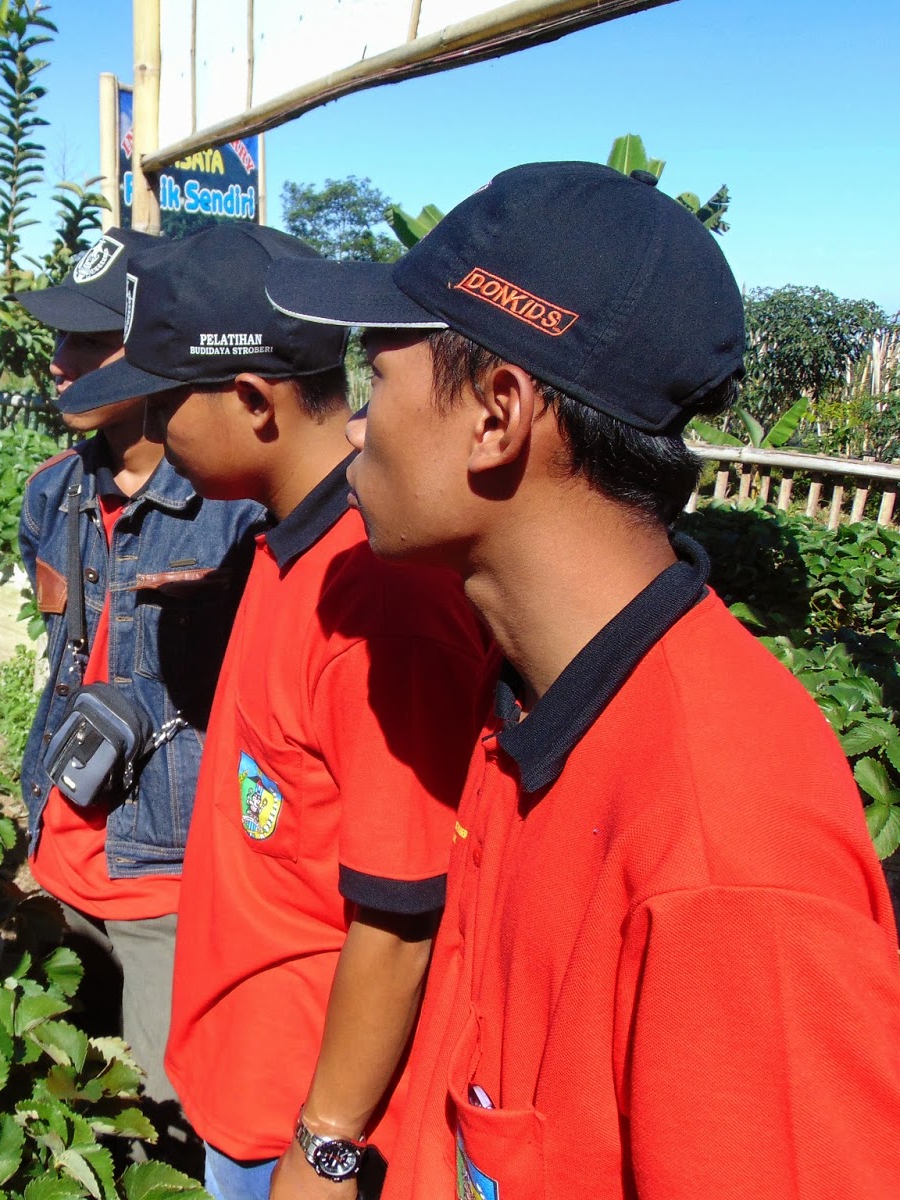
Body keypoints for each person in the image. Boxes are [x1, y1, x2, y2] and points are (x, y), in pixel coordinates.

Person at [267, 160, 900, 1199]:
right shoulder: (527, 696)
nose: (351, 430)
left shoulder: (724, 854)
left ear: (496, 415)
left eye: (376, 378)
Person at [59, 224, 488, 1200]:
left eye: (165, 401)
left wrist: (326, 1144)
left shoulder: (380, 600)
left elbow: (400, 912)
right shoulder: (282, 545)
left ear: (252, 403)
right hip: (247, 1084)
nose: (153, 429)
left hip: (302, 1121)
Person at [14, 228, 265, 1150]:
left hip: (166, 875)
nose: (58, 360)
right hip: (59, 854)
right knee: (62, 1113)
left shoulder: (242, 513)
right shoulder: (52, 495)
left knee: (158, 1121)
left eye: (87, 342)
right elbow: (63, 662)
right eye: (61, 337)